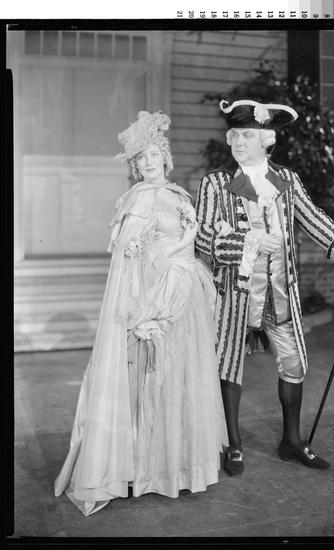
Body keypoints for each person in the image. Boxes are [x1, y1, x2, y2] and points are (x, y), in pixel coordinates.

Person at [54, 111, 228, 515]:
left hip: (185, 301)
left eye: (153, 155)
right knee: (151, 382)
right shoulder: (137, 200)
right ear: (134, 165)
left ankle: (175, 468)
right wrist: (142, 310)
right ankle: (143, 471)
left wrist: (197, 243)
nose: (148, 163)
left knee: (181, 381)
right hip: (153, 302)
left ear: (165, 156)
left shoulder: (179, 195)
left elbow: (190, 243)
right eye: (141, 158)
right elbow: (133, 262)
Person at [194, 99, 334, 477]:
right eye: (234, 135)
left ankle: (291, 442)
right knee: (228, 364)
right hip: (235, 295)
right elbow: (203, 237)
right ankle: (233, 444)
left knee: (294, 363)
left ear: (267, 139)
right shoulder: (216, 183)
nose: (238, 142)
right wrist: (246, 242)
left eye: (248, 135)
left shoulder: (287, 181)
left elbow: (315, 221)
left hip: (279, 292)